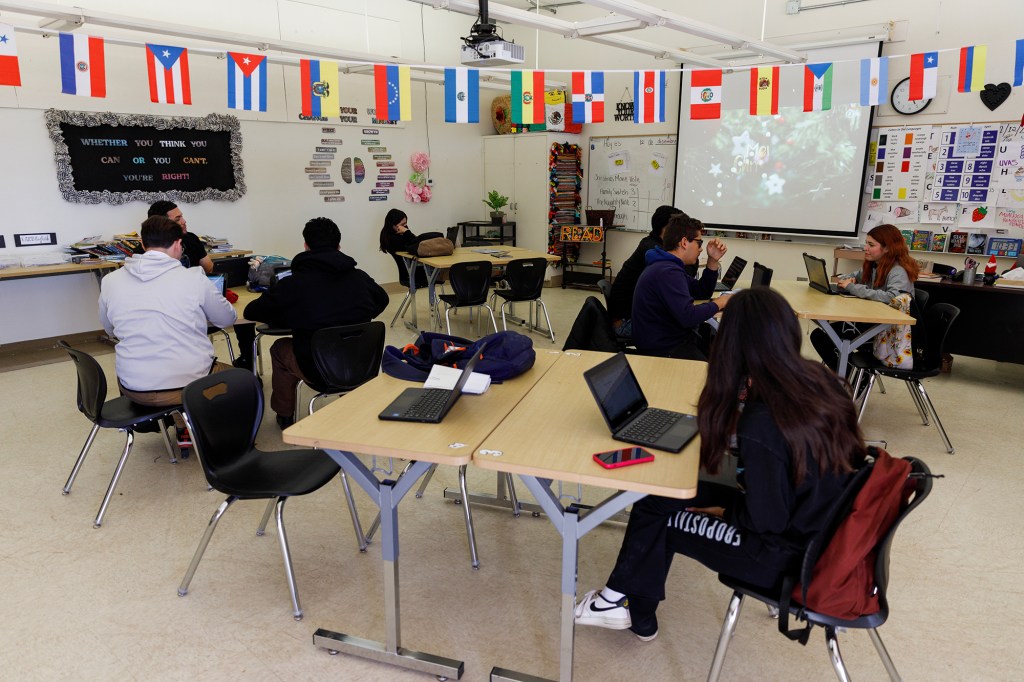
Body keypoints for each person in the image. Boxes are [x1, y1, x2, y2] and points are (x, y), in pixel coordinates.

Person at [574, 288, 863, 641]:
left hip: (784, 555)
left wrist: (721, 511)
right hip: (816, 524)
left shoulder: (763, 422)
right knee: (663, 495)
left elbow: (767, 520)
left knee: (662, 518)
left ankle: (624, 607)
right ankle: (624, 606)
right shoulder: (819, 379)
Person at [245, 217, 389, 428]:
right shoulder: (359, 277)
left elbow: (252, 311)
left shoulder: (293, 284)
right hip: (363, 365)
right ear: (339, 246)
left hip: (318, 370)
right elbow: (382, 299)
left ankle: (285, 414)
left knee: (279, 348)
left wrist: (293, 315)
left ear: (306, 246)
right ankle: (351, 402)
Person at [98, 216, 237, 407]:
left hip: (133, 387)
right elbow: (227, 319)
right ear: (178, 244)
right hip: (189, 385)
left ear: (143, 244)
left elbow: (110, 329)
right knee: (241, 380)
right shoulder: (193, 278)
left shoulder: (110, 281)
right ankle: (191, 419)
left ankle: (179, 419)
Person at [810, 223, 919, 370]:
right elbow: (851, 276)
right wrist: (848, 280)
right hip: (873, 321)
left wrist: (852, 287)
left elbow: (891, 297)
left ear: (887, 248)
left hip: (886, 331)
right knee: (822, 335)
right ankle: (852, 376)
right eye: (866, 243)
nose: (865, 248)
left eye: (871, 245)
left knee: (823, 338)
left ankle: (851, 378)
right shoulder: (874, 264)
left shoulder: (898, 271)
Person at [630, 215, 730, 360]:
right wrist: (721, 302)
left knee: (714, 345)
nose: (701, 249)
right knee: (719, 360)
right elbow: (688, 317)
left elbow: (702, 292)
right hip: (664, 349)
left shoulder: (667, 265)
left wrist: (713, 260)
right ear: (684, 242)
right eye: (699, 243)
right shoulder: (667, 272)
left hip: (668, 339)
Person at [606, 205, 686, 337]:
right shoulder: (654, 250)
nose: (683, 234)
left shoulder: (651, 243)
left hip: (630, 316)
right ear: (666, 229)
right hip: (626, 323)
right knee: (683, 327)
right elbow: (683, 281)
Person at [148, 200, 214, 274]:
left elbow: (208, 269)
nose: (184, 221)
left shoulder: (191, 239)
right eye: (177, 219)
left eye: (181, 216)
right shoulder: (149, 247)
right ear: (161, 225)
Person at [378, 208, 428, 288]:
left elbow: (416, 241)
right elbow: (415, 245)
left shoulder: (400, 233)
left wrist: (406, 232)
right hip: (412, 273)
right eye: (402, 224)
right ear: (393, 225)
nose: (405, 226)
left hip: (414, 270)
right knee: (442, 271)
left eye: (406, 223)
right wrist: (407, 232)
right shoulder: (391, 239)